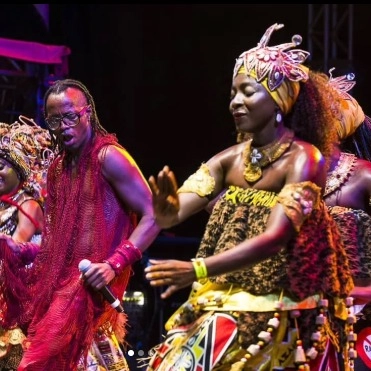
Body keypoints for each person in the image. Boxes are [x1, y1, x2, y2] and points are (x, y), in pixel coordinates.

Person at [144, 23, 354, 371]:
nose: (235, 102)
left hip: (282, 302)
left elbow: (274, 238)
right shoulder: (229, 159)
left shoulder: (304, 159)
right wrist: (165, 210)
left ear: (278, 101)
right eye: (233, 93)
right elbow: (173, 215)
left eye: (247, 92)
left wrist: (197, 269)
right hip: (225, 294)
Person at [0, 79, 161, 370]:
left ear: (88, 113)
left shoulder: (109, 157)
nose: (63, 125)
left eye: (71, 116)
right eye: (54, 119)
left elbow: (154, 215)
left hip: (90, 292)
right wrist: (21, 250)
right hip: (61, 290)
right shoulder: (58, 169)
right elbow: (58, 247)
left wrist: (113, 264)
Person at [324, 70, 371, 370]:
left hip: (362, 317)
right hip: (303, 315)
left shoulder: (365, 175)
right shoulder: (287, 178)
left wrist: (357, 293)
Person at [0, 117, 52, 370]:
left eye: (1, 165)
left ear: (18, 169)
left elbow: (16, 247)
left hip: (16, 295)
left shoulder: (27, 203)